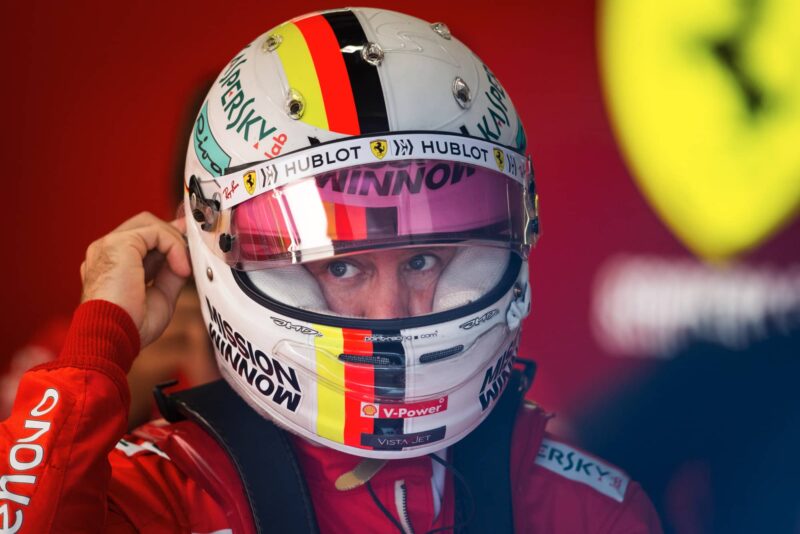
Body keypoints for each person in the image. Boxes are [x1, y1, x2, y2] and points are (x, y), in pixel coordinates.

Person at [0, 8, 661, 532]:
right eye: (341, 267)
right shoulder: (159, 500)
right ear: (209, 247)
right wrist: (98, 348)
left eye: (423, 260)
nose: (390, 313)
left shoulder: (587, 510)